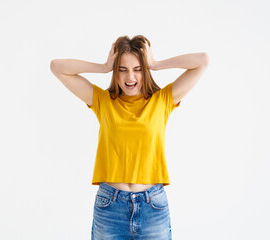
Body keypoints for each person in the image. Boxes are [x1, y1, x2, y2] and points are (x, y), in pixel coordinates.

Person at [50, 35, 209, 239]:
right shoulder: (103, 101)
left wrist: (155, 64)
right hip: (110, 208)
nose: (129, 77)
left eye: (138, 69)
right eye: (122, 69)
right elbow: (57, 66)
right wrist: (105, 66)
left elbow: (203, 60)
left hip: (153, 207)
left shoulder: (162, 101)